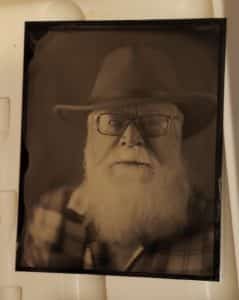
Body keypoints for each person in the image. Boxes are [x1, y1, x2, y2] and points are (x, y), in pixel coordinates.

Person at [22, 45, 216, 276]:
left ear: (179, 137)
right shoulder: (51, 216)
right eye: (113, 122)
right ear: (89, 136)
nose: (131, 140)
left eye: (153, 122)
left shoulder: (214, 237)